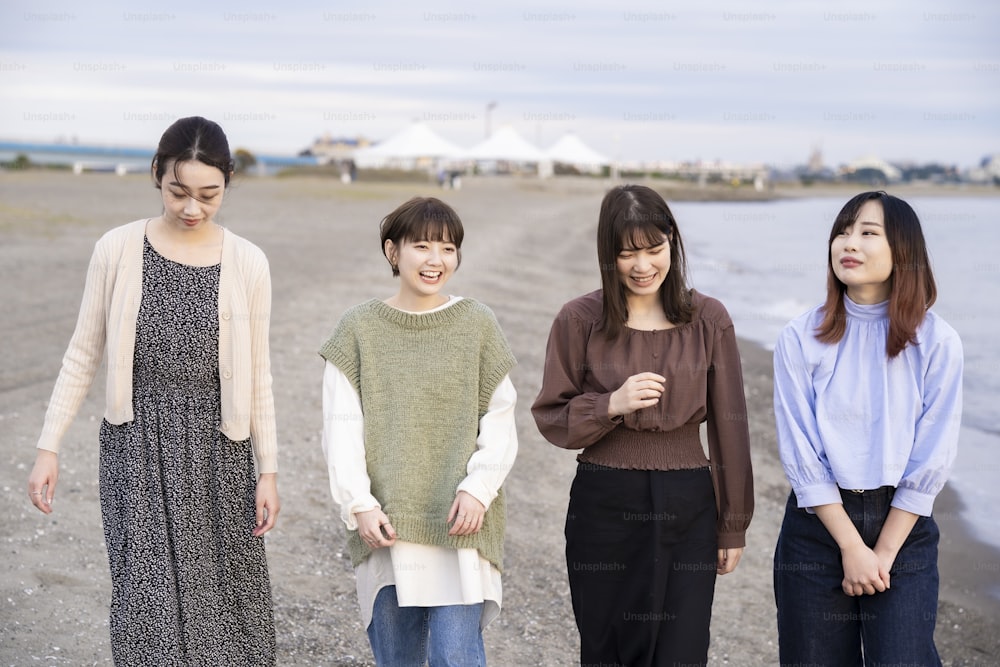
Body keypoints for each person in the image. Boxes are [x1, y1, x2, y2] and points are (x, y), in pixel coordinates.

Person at [27, 116, 279, 665]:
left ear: (228, 183)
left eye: (209, 195)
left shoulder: (250, 263)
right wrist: (49, 447)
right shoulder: (117, 249)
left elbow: (258, 374)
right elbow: (82, 353)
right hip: (135, 447)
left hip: (220, 448)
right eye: (178, 192)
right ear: (157, 177)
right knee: (148, 606)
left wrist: (269, 471)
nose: (192, 208)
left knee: (227, 602)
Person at [531, 184, 754, 665]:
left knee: (683, 650)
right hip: (603, 504)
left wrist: (733, 524)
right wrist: (610, 404)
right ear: (607, 254)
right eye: (626, 253)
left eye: (654, 249)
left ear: (672, 240)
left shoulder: (709, 319)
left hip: (690, 505)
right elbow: (552, 417)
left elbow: (730, 428)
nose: (642, 265)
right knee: (608, 648)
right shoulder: (579, 318)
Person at [319, 196, 517, 665]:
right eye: (422, 246)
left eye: (448, 249)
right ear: (393, 251)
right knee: (398, 656)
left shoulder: (478, 323)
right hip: (386, 523)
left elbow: (501, 419)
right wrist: (359, 505)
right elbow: (339, 428)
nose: (436, 260)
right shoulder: (358, 328)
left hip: (460, 519)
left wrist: (478, 489)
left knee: (456, 655)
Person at [772, 191, 962, 666]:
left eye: (867, 233)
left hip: (904, 527)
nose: (848, 243)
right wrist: (852, 547)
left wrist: (882, 550)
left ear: (904, 251)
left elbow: (931, 456)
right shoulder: (800, 337)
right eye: (842, 230)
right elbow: (802, 456)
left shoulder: (937, 341)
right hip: (817, 528)